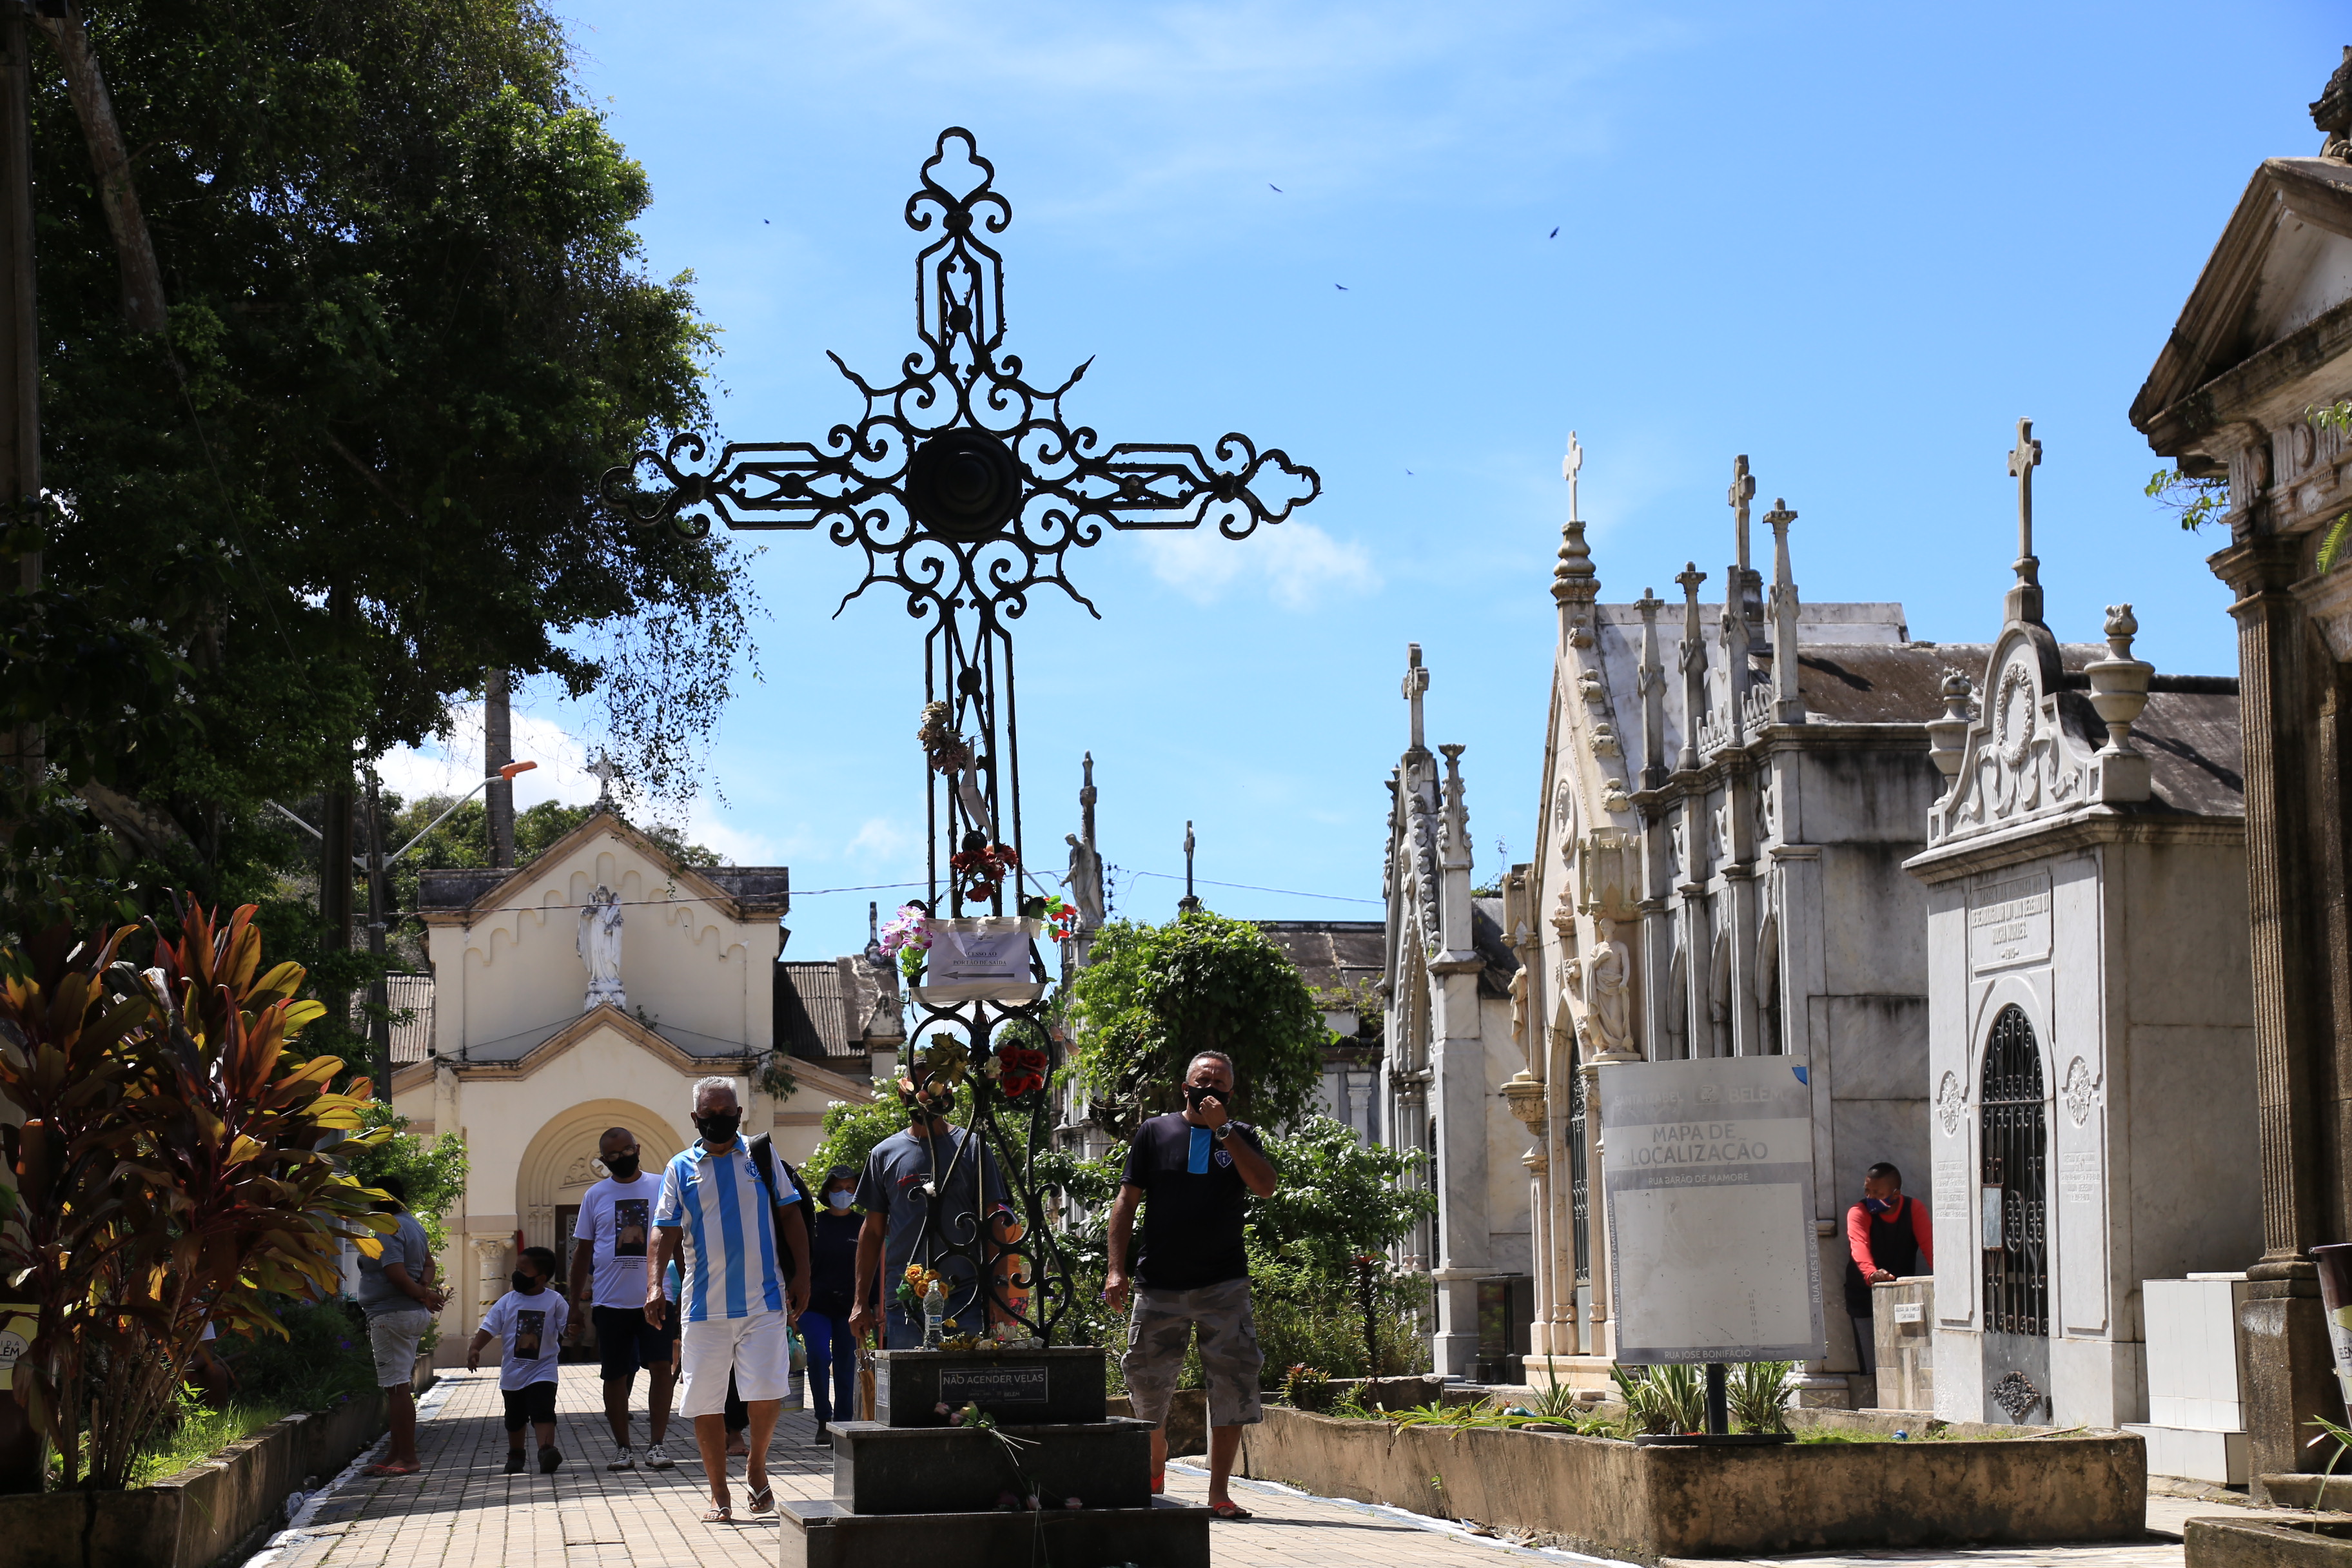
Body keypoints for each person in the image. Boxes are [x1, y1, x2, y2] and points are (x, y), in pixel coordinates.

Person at [1102, 1050, 1279, 1522]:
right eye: (1203, 1080)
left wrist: (1223, 1130)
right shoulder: (1155, 1133)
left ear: (1230, 1093)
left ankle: (1219, 1492)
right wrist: (1115, 1269)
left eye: (1220, 1083)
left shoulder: (1240, 1137)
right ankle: (1154, 1456)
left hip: (1223, 1285)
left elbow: (1265, 1186)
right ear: (1186, 1087)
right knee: (1145, 1385)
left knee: (1233, 1387)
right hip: (1159, 1285)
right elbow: (1126, 1201)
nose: (1211, 1088)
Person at [646, 1077, 809, 1523]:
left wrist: (804, 1275)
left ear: (739, 1115)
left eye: (726, 1114)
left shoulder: (761, 1156)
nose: (718, 1121)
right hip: (703, 1308)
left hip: (764, 1300)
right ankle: (719, 1495)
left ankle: (756, 1468)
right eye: (708, 1115)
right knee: (705, 1401)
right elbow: (664, 1229)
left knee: (768, 1393)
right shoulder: (680, 1168)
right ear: (695, 1119)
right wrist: (656, 1286)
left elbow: (791, 1212)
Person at [849, 1080, 1009, 1351]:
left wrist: (999, 1291)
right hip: (906, 1301)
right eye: (916, 1087)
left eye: (932, 1086)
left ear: (947, 1094)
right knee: (912, 1389)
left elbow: (992, 1222)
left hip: (965, 1296)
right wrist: (860, 1301)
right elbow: (874, 1231)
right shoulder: (884, 1154)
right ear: (903, 1096)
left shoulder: (972, 1148)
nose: (924, 1095)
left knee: (964, 1387)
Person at [565, 1126, 678, 1471]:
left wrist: (688, 1288)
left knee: (661, 1368)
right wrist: (574, 1306)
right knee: (613, 1375)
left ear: (638, 1148)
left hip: (658, 1297)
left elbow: (679, 1240)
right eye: (612, 1156)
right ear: (603, 1161)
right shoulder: (595, 1195)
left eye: (626, 1151)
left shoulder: (662, 1185)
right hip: (611, 1302)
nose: (621, 1158)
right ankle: (623, 1448)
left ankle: (657, 1445)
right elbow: (582, 1253)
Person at [355, 1174, 446, 1478]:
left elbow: (395, 1273)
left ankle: (407, 1458)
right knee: (397, 1386)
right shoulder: (413, 1224)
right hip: (406, 1314)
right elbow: (429, 1265)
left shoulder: (388, 1228)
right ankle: (394, 1454)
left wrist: (422, 1293)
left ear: (382, 1199)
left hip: (391, 1315)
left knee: (397, 1389)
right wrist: (424, 1288)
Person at [469, 1246, 569, 1474]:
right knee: (515, 1417)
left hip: (543, 1369)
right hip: (513, 1372)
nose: (516, 1274)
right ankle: (516, 1455)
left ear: (541, 1278)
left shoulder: (554, 1301)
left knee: (543, 1410)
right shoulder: (507, 1301)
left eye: (522, 1271)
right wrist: (475, 1347)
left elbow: (566, 1327)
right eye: (516, 1269)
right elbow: (489, 1326)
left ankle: (546, 1450)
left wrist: (574, 1327)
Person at [804, 1165, 873, 1445]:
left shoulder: (864, 1224)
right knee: (819, 1357)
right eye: (837, 1188)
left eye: (849, 1188)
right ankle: (823, 1418)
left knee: (846, 1366)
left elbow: (874, 1267)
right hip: (815, 1305)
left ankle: (842, 1423)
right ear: (827, 1191)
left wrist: (873, 1305)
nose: (844, 1193)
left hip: (851, 1308)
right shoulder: (814, 1224)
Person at [1844, 1161, 1933, 1376]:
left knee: (1909, 1365)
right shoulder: (1859, 1211)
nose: (1870, 1197)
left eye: (1877, 1192)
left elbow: (1931, 1248)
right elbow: (1859, 1246)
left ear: (1895, 1193)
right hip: (1864, 1296)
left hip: (1903, 1296)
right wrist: (1871, 1274)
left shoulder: (1914, 1209)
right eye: (1867, 1190)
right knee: (1873, 1367)